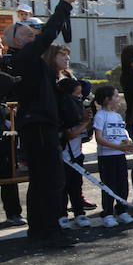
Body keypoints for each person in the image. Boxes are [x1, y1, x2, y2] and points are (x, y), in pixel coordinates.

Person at [13, 0, 78, 247]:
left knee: (40, 180)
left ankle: (39, 229)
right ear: (17, 40)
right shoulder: (26, 55)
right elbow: (50, 33)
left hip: (39, 123)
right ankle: (50, 230)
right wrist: (64, 3)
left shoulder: (33, 61)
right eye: (29, 34)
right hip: (38, 125)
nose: (35, 36)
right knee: (50, 178)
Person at [93, 85, 133, 228]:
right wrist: (118, 147)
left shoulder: (118, 116)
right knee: (109, 185)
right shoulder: (100, 115)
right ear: (107, 99)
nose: (118, 98)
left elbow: (122, 135)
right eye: (115, 95)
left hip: (120, 156)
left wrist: (127, 144)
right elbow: (99, 138)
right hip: (107, 157)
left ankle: (121, 211)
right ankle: (107, 213)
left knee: (122, 184)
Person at [57, 78, 93, 229]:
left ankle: (79, 213)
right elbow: (70, 134)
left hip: (77, 154)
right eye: (77, 95)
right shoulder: (62, 111)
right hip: (64, 156)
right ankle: (62, 215)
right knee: (63, 187)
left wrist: (87, 119)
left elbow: (85, 133)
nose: (80, 98)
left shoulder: (79, 109)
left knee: (76, 186)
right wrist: (85, 122)